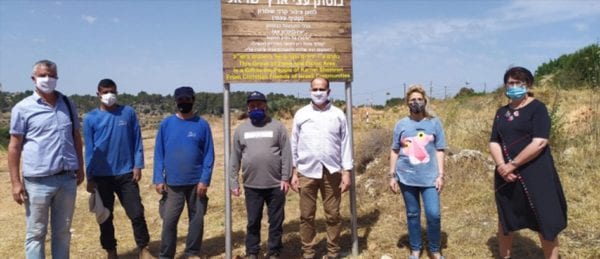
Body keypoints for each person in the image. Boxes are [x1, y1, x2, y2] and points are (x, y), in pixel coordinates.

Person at [8, 59, 84, 258]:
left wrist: (80, 167)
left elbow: (76, 137)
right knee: (36, 233)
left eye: (51, 75)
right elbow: (14, 146)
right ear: (33, 79)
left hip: (67, 179)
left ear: (57, 78)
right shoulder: (22, 108)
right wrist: (16, 183)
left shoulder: (67, 104)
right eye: (42, 75)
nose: (47, 79)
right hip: (37, 182)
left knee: (62, 233)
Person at [490, 67, 567, 259]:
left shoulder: (537, 108)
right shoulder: (501, 113)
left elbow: (540, 141)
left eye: (519, 83)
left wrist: (512, 164)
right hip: (506, 175)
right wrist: (502, 166)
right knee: (506, 219)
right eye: (510, 83)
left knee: (545, 219)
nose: (514, 86)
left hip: (536, 173)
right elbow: (494, 141)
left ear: (528, 85)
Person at [83, 78, 153, 259]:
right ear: (98, 93)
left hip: (126, 173)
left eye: (112, 91)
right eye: (105, 92)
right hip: (101, 175)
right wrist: (89, 177)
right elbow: (89, 149)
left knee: (136, 212)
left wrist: (138, 165)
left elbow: (137, 140)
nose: (109, 95)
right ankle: (111, 251)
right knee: (105, 216)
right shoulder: (91, 118)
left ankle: (143, 248)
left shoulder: (127, 113)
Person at [290, 77, 353, 259]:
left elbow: (345, 143)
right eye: (315, 89)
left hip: (332, 172)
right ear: (310, 90)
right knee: (306, 216)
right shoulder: (301, 114)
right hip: (306, 171)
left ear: (329, 91)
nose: (318, 92)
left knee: (333, 214)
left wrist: (346, 171)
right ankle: (308, 252)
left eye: (322, 89)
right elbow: (294, 144)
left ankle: (333, 252)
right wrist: (293, 172)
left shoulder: (338, 115)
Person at [153, 86, 215, 259]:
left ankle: (192, 252)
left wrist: (205, 180)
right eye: (180, 100)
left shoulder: (202, 125)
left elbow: (209, 155)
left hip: (197, 184)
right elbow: (159, 154)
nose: (183, 103)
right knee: (169, 221)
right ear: (176, 101)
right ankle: (166, 255)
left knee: (197, 219)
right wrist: (159, 178)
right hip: (173, 184)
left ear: (193, 100)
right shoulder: (166, 124)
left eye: (187, 100)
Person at [229, 91, 292, 259]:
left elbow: (286, 154)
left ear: (265, 106)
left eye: (259, 104)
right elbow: (234, 157)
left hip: (276, 185)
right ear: (248, 107)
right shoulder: (241, 130)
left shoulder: (277, 127)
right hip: (252, 186)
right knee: (253, 221)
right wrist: (233, 182)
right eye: (252, 105)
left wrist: (286, 177)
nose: (256, 107)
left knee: (276, 222)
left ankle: (274, 251)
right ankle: (252, 251)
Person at [388, 84, 447, 259]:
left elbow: (440, 149)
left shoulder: (434, 123)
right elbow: (395, 150)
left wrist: (441, 175)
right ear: (407, 103)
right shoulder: (401, 124)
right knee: (413, 214)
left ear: (425, 101)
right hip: (406, 177)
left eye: (419, 99)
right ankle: (415, 249)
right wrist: (392, 175)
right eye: (413, 100)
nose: (416, 102)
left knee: (433, 215)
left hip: (430, 178)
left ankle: (435, 249)